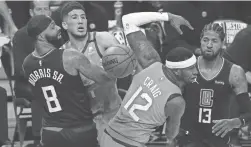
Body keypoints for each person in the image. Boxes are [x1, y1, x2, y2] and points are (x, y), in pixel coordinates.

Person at [59, 2, 194, 143]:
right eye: (74, 17)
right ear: (64, 25)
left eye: (83, 17)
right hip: (83, 119)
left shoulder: (102, 39)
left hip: (111, 115)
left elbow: (130, 61)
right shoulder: (63, 54)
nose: (80, 21)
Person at [101, 12, 198, 147]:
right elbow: (170, 134)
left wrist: (168, 17)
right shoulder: (176, 101)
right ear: (177, 71)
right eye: (191, 68)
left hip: (108, 135)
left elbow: (127, 20)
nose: (196, 72)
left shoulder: (151, 62)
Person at [22, 15, 113, 147]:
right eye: (53, 27)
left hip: (50, 132)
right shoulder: (70, 56)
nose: (59, 28)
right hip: (79, 130)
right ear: (41, 36)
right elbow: (104, 78)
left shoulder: (27, 64)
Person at [180, 23, 251, 147]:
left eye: (214, 41)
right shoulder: (186, 68)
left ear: (223, 44)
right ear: (200, 41)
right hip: (188, 139)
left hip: (218, 140)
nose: (209, 45)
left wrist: (234, 122)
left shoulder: (234, 72)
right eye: (205, 40)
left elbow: (248, 112)